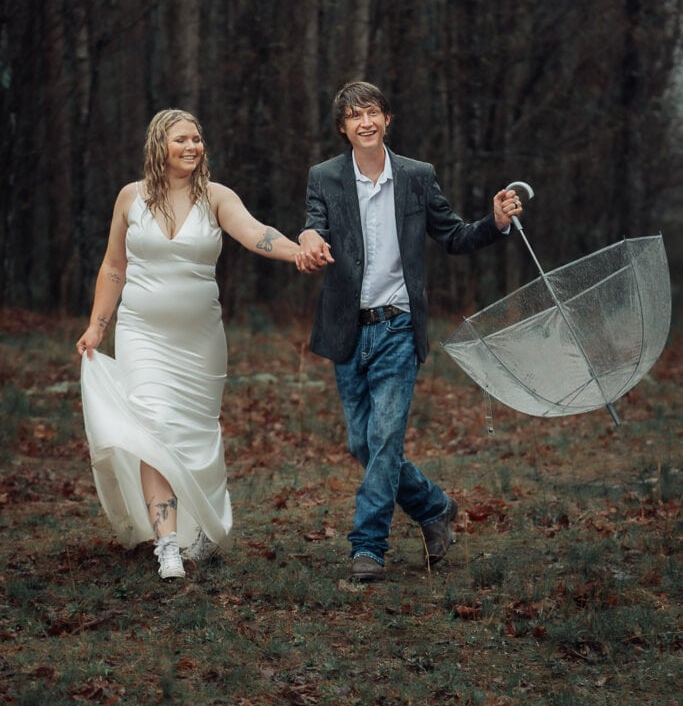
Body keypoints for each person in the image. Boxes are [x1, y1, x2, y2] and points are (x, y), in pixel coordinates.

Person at [77, 108, 321, 581]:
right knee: (153, 426)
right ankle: (167, 544)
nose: (192, 147)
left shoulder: (216, 197)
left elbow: (256, 235)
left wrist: (298, 252)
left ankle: (205, 531)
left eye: (197, 139)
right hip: (141, 333)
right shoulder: (130, 198)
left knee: (196, 437)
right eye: (180, 140)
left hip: (201, 341)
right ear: (158, 146)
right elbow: (113, 266)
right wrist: (97, 326)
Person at [298, 81, 522, 582]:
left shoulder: (417, 177)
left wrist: (497, 221)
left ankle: (369, 546)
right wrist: (309, 238)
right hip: (347, 330)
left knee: (383, 438)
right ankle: (435, 507)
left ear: (387, 118)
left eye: (373, 112)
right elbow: (314, 226)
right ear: (343, 128)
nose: (366, 122)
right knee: (363, 443)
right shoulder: (326, 177)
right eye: (355, 116)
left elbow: (455, 235)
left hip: (398, 325)